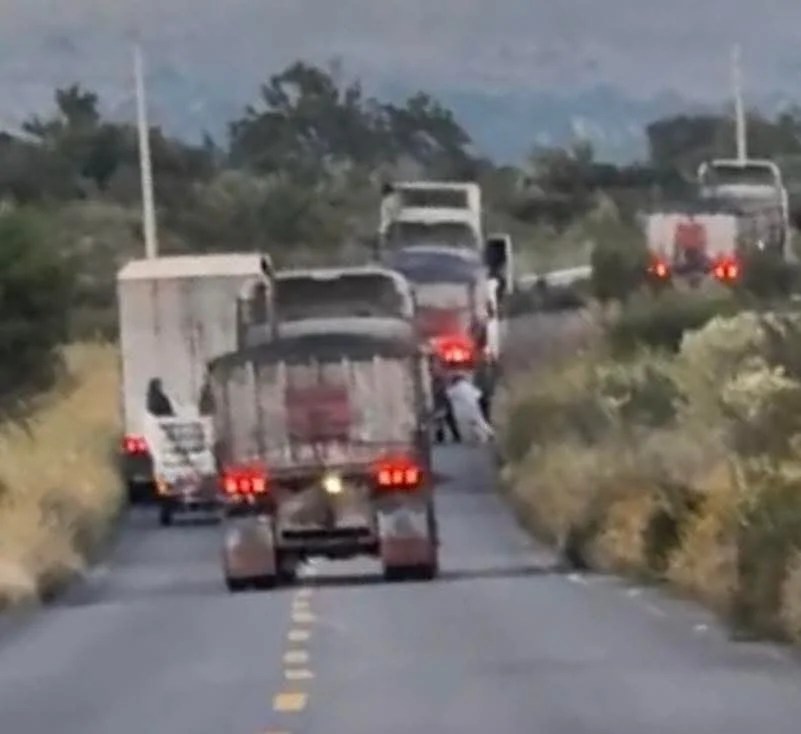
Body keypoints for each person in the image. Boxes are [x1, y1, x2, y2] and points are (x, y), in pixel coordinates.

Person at [445, 371, 494, 444]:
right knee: (478, 421)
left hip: (465, 409)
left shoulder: (455, 388)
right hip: (474, 405)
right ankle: (486, 435)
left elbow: (448, 394)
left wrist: (448, 385)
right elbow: (478, 394)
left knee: (474, 423)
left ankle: (486, 435)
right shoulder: (468, 386)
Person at [430, 357, 461, 443]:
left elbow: (446, 380)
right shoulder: (440, 372)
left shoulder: (441, 373)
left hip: (442, 396)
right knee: (442, 418)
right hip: (440, 396)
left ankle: (453, 435)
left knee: (447, 417)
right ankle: (443, 435)